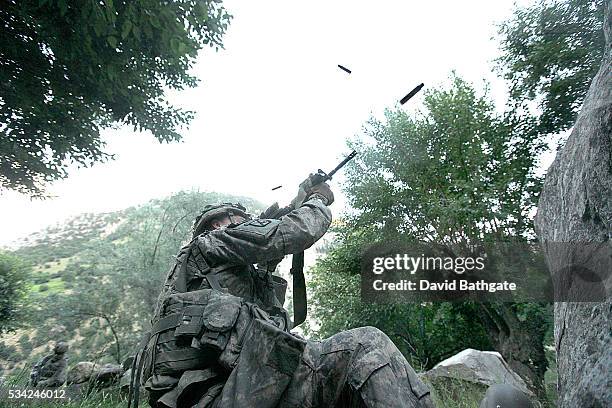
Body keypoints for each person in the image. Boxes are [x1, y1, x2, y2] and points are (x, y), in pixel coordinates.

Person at [139, 179, 434, 408]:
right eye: (241, 220)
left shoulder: (213, 272)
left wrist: (298, 199)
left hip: (228, 392)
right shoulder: (213, 241)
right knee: (365, 344)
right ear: (219, 223)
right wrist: (317, 199)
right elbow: (289, 233)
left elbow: (268, 250)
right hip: (222, 395)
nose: (247, 224)